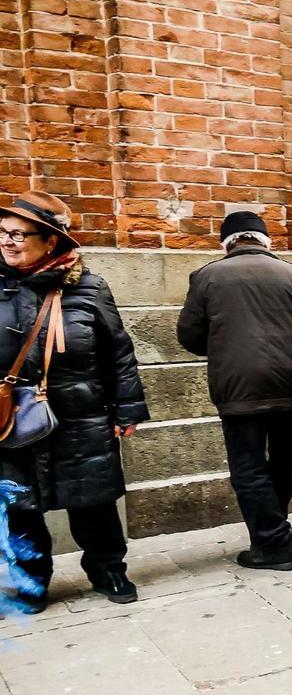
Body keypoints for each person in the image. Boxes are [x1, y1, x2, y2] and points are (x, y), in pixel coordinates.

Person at [0, 191, 150, 612]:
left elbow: (117, 351)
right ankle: (30, 583)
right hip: (9, 417)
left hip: (80, 413)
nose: (7, 241)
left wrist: (128, 409)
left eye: (18, 234)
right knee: (19, 505)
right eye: (2, 233)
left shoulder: (88, 287)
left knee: (93, 501)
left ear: (51, 241)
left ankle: (108, 570)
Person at [177, 211, 292, 572]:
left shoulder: (207, 277)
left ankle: (274, 544)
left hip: (239, 385)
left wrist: (224, 347)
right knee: (283, 460)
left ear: (227, 243)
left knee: (248, 467)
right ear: (266, 241)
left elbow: (188, 336)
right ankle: (271, 534)